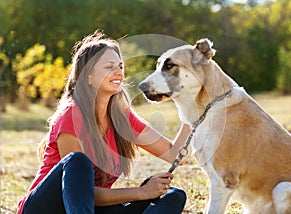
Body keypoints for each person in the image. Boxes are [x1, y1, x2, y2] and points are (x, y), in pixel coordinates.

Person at [17, 30, 190, 214]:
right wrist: (141, 192)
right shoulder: (71, 114)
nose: (118, 73)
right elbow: (80, 192)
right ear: (88, 76)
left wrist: (192, 110)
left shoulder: (121, 117)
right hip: (44, 208)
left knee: (173, 195)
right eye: (109, 67)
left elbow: (174, 155)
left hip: (91, 208)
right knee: (77, 161)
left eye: (120, 66)